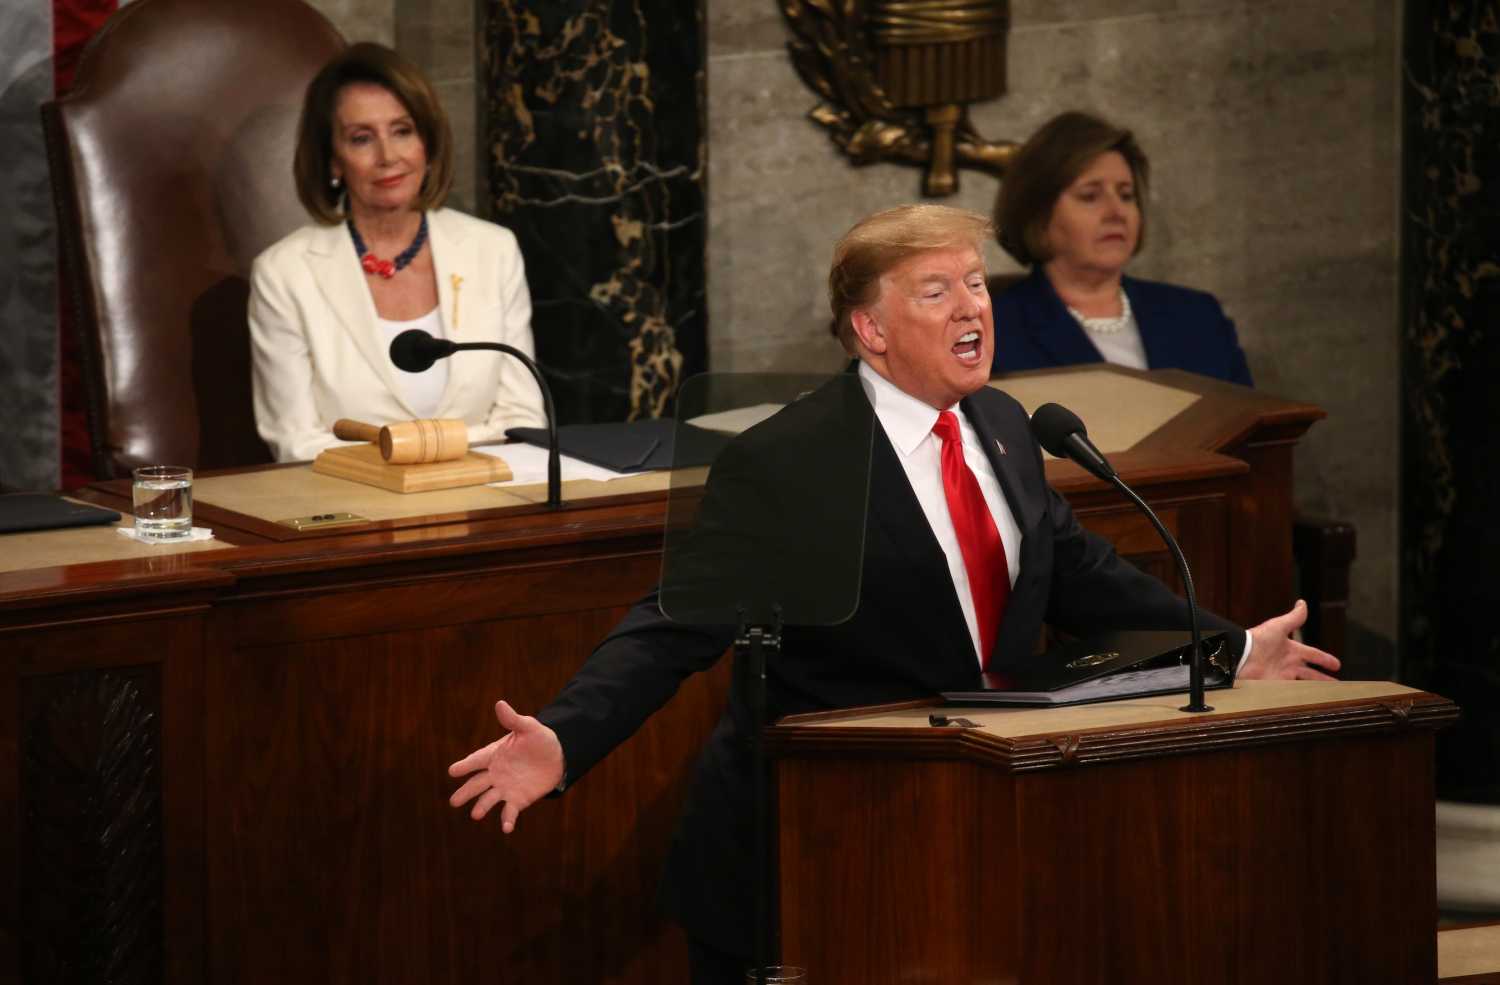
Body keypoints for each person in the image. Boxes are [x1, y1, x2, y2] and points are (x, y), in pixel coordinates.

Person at [448, 205, 1337, 984]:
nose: (972, 307)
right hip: (819, 846)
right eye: (936, 290)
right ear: (870, 329)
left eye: (977, 284)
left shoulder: (1001, 422)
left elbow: (1077, 569)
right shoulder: (790, 460)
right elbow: (676, 621)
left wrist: (1232, 647)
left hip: (970, 818)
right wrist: (568, 734)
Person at [248, 42, 545, 463]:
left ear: (426, 141)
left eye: (402, 131)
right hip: (354, 511)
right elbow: (295, 444)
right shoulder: (284, 274)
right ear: (333, 160)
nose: (388, 157)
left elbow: (524, 422)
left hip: (483, 503)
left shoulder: (492, 250)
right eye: (362, 138)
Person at [990, 111, 1253, 386]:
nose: (1117, 212)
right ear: (1038, 215)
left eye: (1126, 195)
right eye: (1090, 196)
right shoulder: (995, 331)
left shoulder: (1199, 316)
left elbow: (1253, 423)